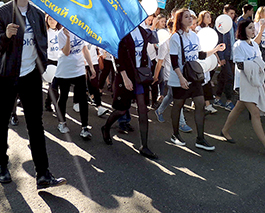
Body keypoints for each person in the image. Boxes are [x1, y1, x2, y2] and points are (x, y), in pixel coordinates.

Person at [0, 0, 66, 188]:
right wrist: (5, 36)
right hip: (6, 74)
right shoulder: (1, 13)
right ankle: (2, 165)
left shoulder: (38, 14)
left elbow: (42, 42)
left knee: (36, 124)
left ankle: (43, 173)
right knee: (1, 120)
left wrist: (42, 66)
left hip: (31, 75)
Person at [220, 20, 265, 156]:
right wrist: (254, 64)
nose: (253, 30)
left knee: (238, 108)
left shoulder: (254, 44)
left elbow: (260, 62)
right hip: (244, 83)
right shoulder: (238, 45)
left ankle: (224, 130)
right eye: (250, 28)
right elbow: (240, 64)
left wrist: (256, 65)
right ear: (243, 30)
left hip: (255, 81)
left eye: (254, 28)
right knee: (255, 113)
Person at [169, 9, 225, 151]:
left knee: (200, 104)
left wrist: (215, 50)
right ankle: (175, 134)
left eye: (190, 17)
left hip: (193, 76)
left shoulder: (194, 36)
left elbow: (200, 55)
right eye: (186, 17)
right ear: (179, 19)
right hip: (180, 77)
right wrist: (181, 78)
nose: (189, 19)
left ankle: (200, 138)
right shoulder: (175, 37)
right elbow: (174, 61)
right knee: (178, 105)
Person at [101, 24, 159, 160]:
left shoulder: (142, 31)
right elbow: (118, 56)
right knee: (121, 110)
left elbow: (150, 46)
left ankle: (144, 146)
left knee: (143, 110)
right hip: (126, 76)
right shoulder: (122, 31)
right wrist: (125, 77)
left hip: (140, 76)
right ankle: (106, 127)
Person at [53, 28, 96, 138]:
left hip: (79, 69)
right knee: (63, 96)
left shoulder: (79, 29)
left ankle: (85, 127)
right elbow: (66, 52)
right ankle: (62, 123)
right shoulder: (61, 34)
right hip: (65, 70)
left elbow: (85, 49)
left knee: (83, 98)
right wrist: (68, 37)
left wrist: (91, 67)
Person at [154, 19, 192, 132]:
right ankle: (181, 123)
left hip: (180, 74)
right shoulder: (165, 43)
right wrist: (156, 77)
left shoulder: (181, 40)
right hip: (169, 76)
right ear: (170, 29)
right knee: (178, 97)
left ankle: (159, 111)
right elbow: (160, 61)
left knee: (171, 96)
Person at [214, 4, 237, 111]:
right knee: (229, 77)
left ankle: (217, 98)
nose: (232, 16)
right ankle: (229, 100)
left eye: (233, 14)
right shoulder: (220, 24)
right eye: (230, 13)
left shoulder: (234, 25)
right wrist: (221, 57)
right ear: (225, 13)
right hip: (225, 56)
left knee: (223, 77)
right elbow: (218, 41)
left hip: (232, 56)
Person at [43, 14, 62, 112]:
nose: (52, 21)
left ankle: (48, 102)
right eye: (50, 19)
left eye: (54, 19)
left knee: (55, 84)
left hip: (60, 60)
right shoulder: (45, 32)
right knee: (52, 83)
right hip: (49, 60)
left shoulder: (61, 32)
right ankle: (53, 105)